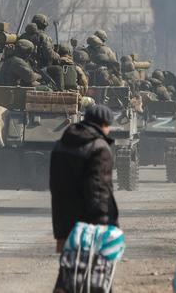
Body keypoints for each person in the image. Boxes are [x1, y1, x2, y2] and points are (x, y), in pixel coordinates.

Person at [50, 105, 118, 253]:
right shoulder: (99, 147)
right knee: (91, 273)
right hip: (90, 226)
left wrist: (60, 234)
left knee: (69, 271)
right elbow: (99, 191)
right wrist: (104, 225)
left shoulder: (61, 145)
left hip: (64, 223)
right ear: (104, 124)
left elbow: (56, 188)